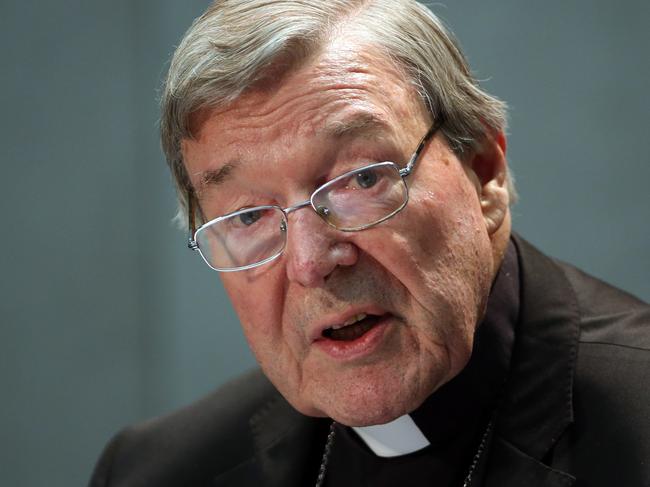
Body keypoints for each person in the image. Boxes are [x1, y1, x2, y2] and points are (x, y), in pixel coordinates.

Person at [89, 1, 650, 486]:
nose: (311, 262)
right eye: (249, 215)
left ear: (484, 171)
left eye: (360, 179)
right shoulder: (152, 473)